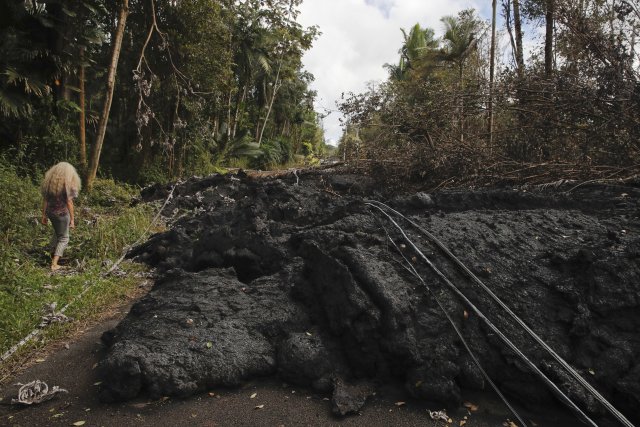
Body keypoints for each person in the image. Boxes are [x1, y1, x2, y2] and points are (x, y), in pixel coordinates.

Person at [40, 162, 81, 271]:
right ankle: (54, 264)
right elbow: (69, 203)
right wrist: (72, 220)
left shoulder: (49, 183)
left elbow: (45, 200)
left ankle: (50, 253)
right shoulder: (67, 185)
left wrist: (44, 215)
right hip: (62, 214)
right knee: (64, 238)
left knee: (57, 232)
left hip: (50, 212)